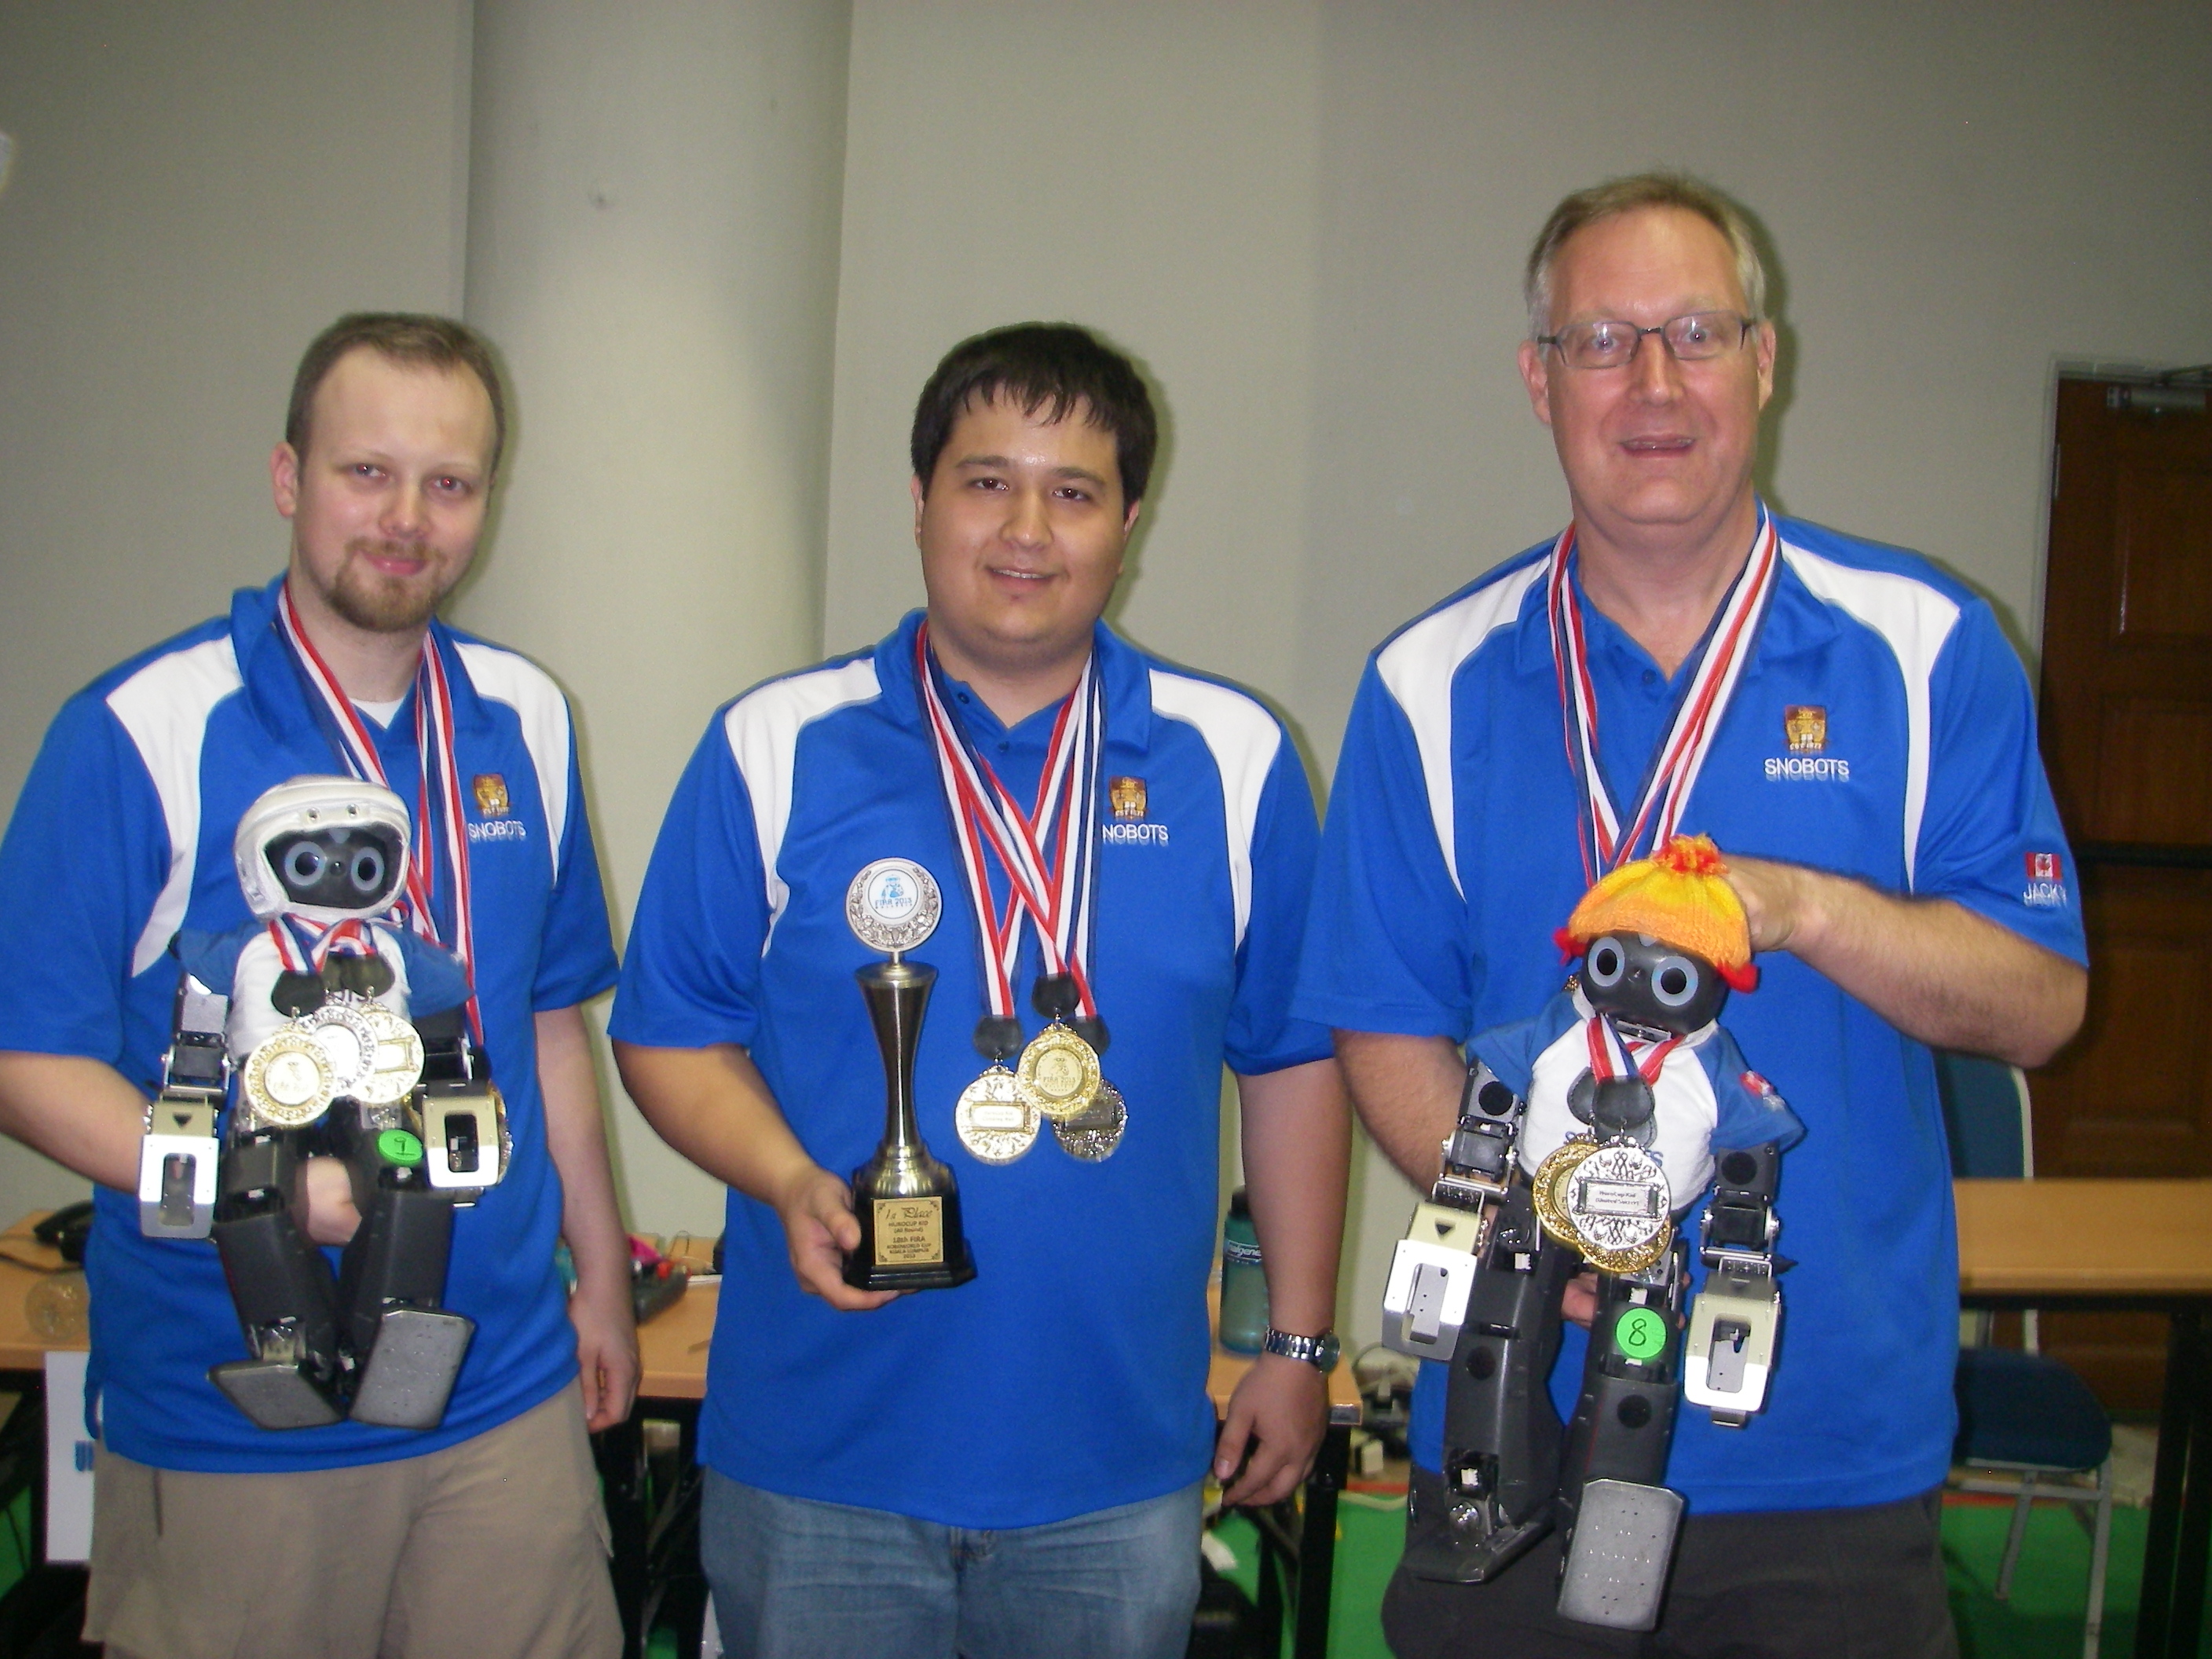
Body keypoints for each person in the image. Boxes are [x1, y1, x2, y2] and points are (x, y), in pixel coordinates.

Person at [1296, 174, 2088, 1657]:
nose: (1654, 383)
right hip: (1514, 1422)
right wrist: (1557, 1230)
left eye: (1697, 334)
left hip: (1826, 1450)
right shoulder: (1429, 683)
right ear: (1539, 379)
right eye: (1602, 341)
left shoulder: (1925, 650)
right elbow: (1384, 1025)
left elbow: (2041, 1005)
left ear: (1764, 361)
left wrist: (1800, 909)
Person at [611, 322, 1351, 1659]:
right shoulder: (777, 744)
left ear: (1128, 523)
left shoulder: (1233, 759)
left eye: (1074, 492)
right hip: (820, 1457)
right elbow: (670, 1033)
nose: (1027, 529)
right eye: (986, 481)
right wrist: (786, 1178)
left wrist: (1297, 1348)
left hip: (1114, 1467)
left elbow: (1293, 1062)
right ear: (919, 501)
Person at [0, 313, 636, 1658]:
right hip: (236, 1414)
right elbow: (24, 1059)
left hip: (502, 1392)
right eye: (368, 472)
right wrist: (275, 1191)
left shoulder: (524, 717)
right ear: (289, 477)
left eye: (449, 482)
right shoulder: (144, 730)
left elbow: (545, 1017)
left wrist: (598, 1275)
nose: (407, 519)